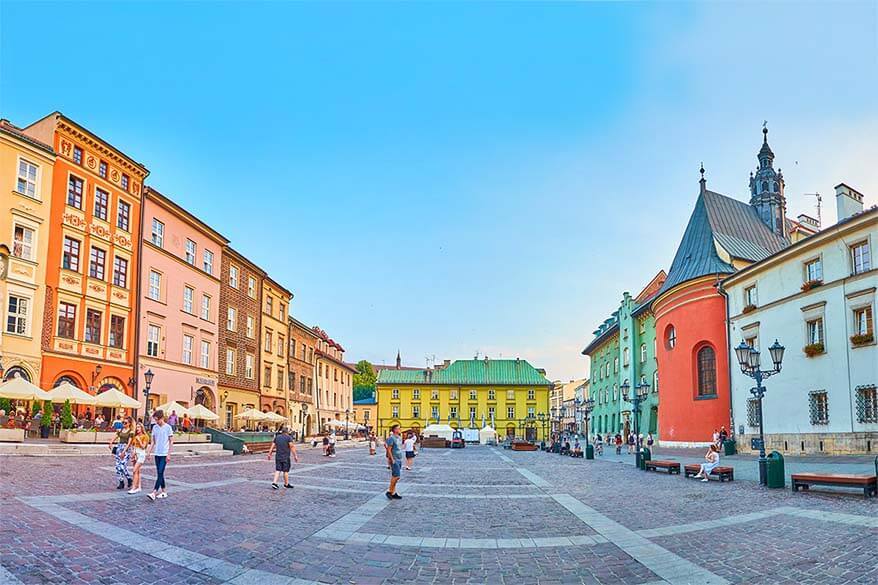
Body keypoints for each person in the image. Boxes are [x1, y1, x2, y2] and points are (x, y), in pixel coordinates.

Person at [146, 409, 174, 501]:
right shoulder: (155, 428)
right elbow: (153, 441)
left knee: (160, 472)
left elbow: (171, 441)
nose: (156, 421)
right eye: (155, 420)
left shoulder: (168, 428)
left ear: (162, 418)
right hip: (157, 453)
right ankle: (164, 491)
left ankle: (154, 492)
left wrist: (169, 454)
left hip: (164, 453)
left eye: (157, 419)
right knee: (159, 473)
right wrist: (149, 452)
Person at [121, 422, 150, 494]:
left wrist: (139, 440)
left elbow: (143, 447)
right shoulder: (135, 436)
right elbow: (134, 446)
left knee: (134, 470)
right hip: (136, 453)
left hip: (141, 454)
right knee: (137, 471)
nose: (137, 429)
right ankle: (139, 487)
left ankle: (134, 487)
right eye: (137, 427)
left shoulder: (145, 436)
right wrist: (133, 454)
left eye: (139, 427)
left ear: (142, 428)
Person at [110, 417, 134, 490]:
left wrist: (124, 451)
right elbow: (116, 436)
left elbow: (129, 443)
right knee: (117, 466)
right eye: (123, 422)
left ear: (129, 424)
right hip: (119, 447)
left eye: (125, 423)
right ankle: (121, 481)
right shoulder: (120, 430)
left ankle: (129, 478)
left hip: (126, 449)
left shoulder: (131, 432)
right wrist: (111, 442)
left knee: (122, 466)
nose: (124, 424)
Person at [384, 424, 403, 500]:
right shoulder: (391, 438)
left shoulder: (399, 438)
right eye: (398, 428)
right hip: (394, 459)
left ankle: (393, 492)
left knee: (395, 476)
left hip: (399, 458)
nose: (400, 429)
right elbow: (389, 449)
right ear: (394, 430)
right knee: (396, 476)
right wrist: (392, 459)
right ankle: (389, 491)